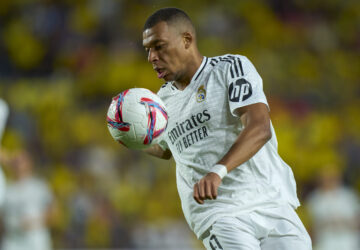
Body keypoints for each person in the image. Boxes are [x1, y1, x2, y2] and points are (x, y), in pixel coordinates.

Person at [138, 7, 312, 249]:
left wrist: (217, 171)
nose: (151, 57)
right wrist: (134, 137)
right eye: (148, 50)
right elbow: (166, 149)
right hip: (219, 215)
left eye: (159, 46)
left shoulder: (230, 68)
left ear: (186, 40)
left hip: (271, 203)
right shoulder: (160, 104)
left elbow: (260, 127)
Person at [0, 150, 55, 250]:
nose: (18, 165)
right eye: (15, 162)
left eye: (21, 161)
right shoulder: (6, 188)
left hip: (36, 240)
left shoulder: (39, 186)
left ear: (29, 163)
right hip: (12, 240)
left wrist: (33, 222)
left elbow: (53, 213)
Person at [306, 165, 359, 250]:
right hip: (325, 244)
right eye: (327, 178)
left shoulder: (349, 196)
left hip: (349, 243)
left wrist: (343, 222)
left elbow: (357, 220)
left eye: (333, 178)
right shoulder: (315, 199)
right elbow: (311, 226)